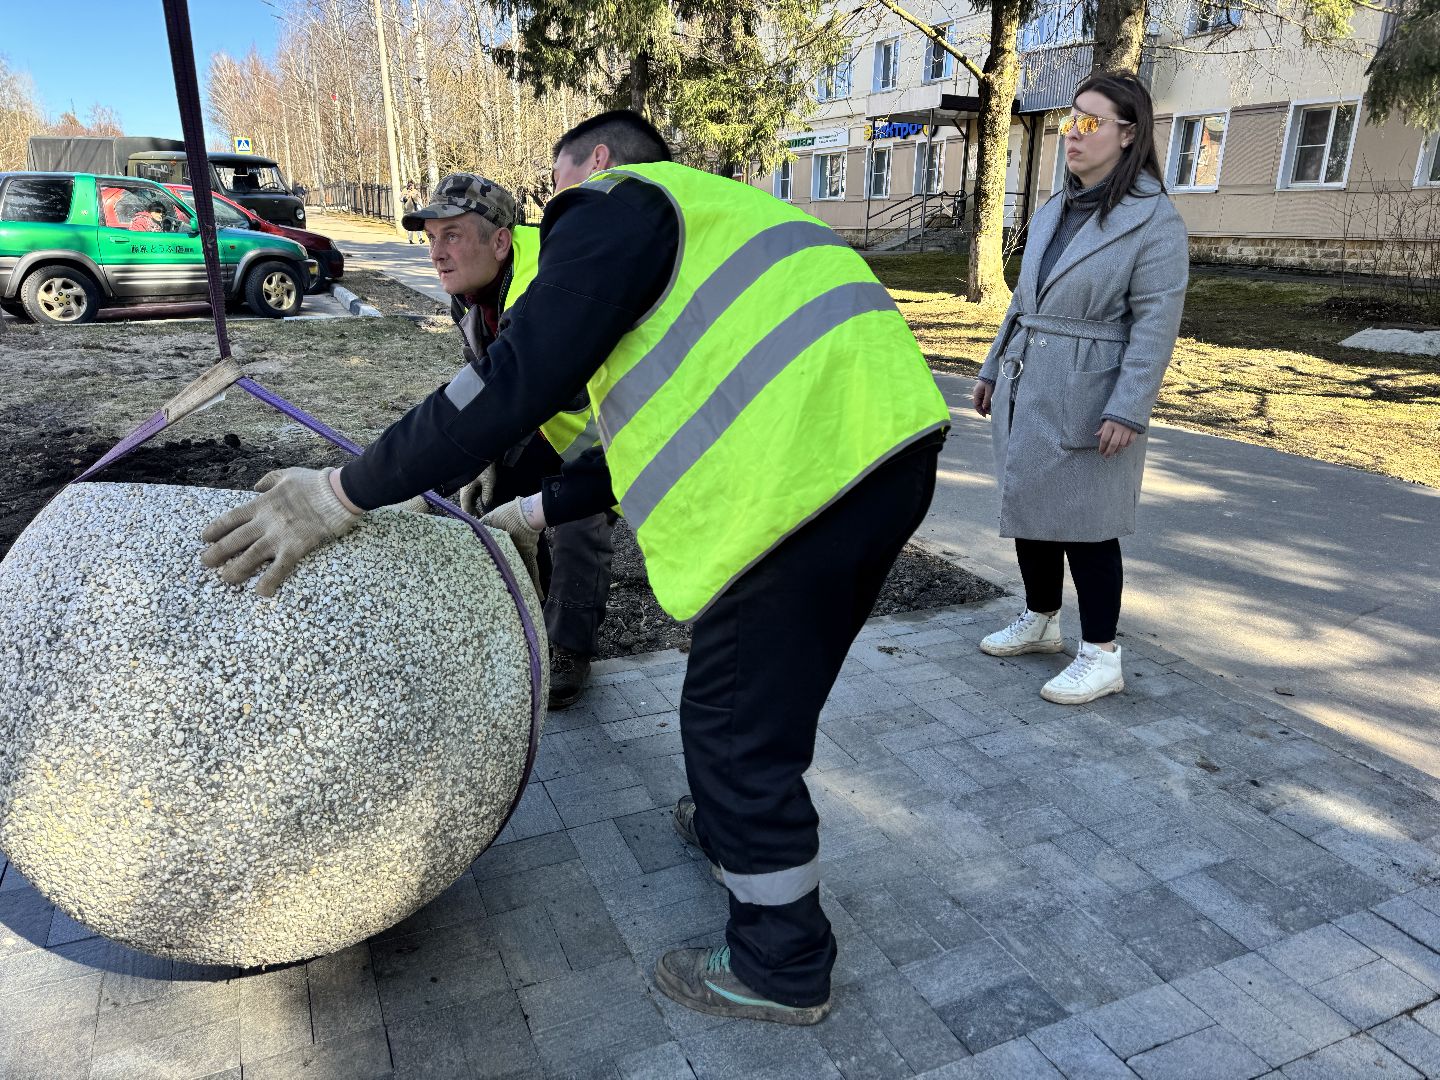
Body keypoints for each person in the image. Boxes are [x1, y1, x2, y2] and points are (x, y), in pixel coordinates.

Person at [199, 110, 950, 1025]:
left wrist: (341, 492)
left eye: (555, 184)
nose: (549, 210)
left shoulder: (612, 203)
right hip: (877, 455)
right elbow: (625, 443)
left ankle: (782, 964)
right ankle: (733, 832)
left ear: (593, 162)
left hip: (802, 484)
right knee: (762, 701)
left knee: (734, 730)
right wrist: (523, 506)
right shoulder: (710, 225)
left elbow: (517, 378)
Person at [971, 72, 1188, 705]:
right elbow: (1023, 301)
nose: (1073, 132)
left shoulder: (1155, 221)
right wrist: (991, 367)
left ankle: (1101, 655)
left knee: (1089, 523)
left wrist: (1129, 409)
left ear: (1128, 134)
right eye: (1071, 118)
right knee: (1030, 504)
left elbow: (1156, 325)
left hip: (1092, 389)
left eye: (1090, 122)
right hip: (1028, 375)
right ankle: (1041, 619)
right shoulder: (1056, 208)